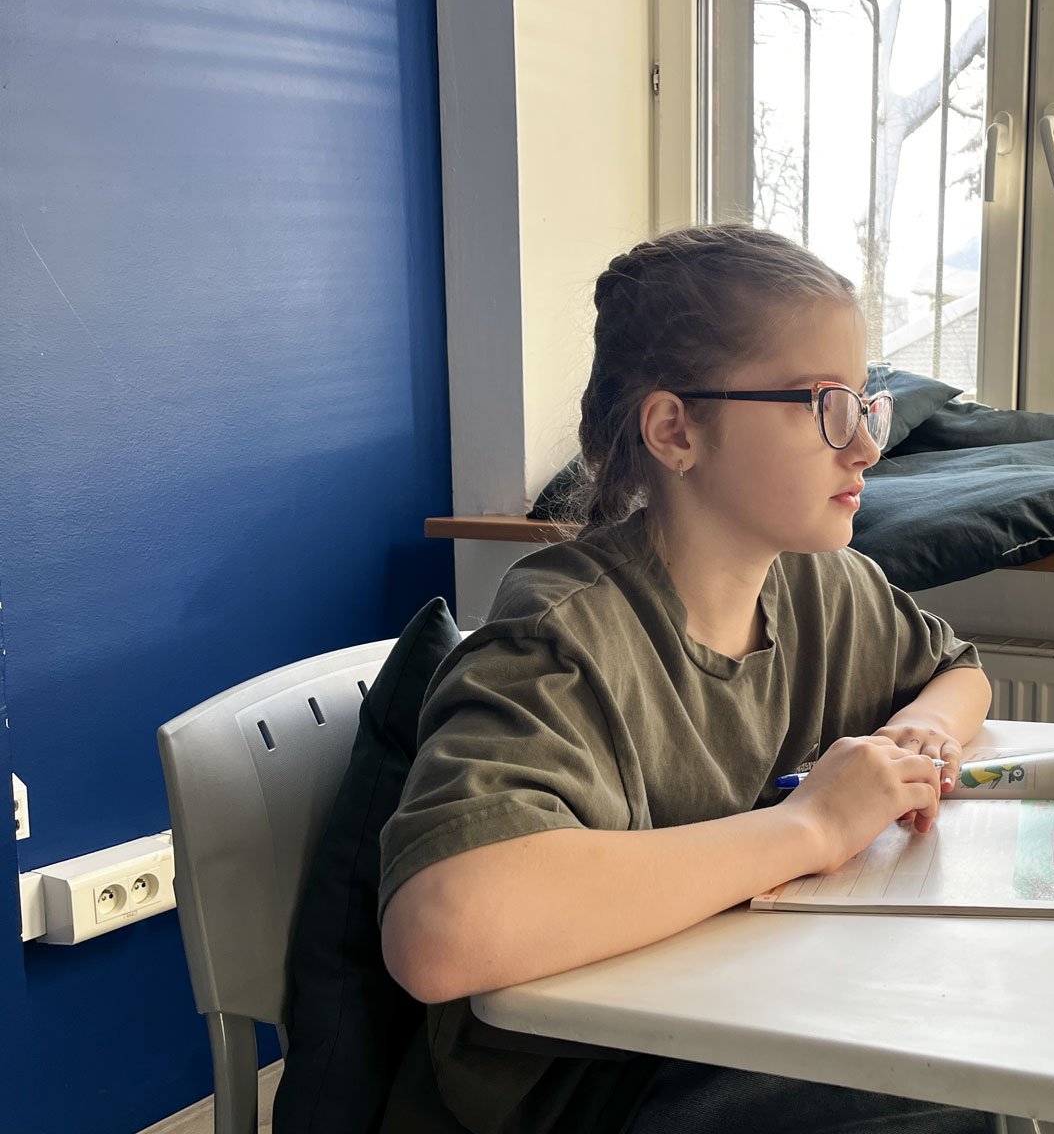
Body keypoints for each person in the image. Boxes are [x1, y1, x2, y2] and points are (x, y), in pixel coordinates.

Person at [376, 223, 999, 1134]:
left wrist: (924, 731)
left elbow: (956, 671)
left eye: (866, 405)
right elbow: (441, 928)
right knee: (962, 1094)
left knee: (989, 1042)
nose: (865, 447)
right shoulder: (562, 634)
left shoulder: (824, 582)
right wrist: (811, 825)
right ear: (675, 430)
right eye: (823, 405)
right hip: (595, 1084)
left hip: (745, 1009)